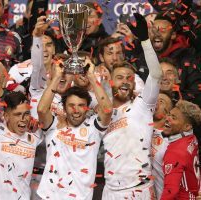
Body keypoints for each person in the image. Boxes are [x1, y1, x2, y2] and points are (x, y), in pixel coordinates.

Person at [102, 13, 162, 199]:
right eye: (120, 77)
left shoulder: (142, 107)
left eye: (129, 78)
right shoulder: (102, 113)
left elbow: (156, 75)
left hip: (139, 190)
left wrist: (145, 41)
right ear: (110, 83)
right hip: (110, 191)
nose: (125, 82)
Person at [36, 58, 112, 199]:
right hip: (49, 196)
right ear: (64, 108)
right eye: (71, 105)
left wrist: (91, 77)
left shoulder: (94, 129)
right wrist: (57, 77)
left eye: (81, 105)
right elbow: (41, 110)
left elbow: (107, 110)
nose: (76, 110)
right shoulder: (54, 125)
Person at [0, 92, 41, 200]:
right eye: (17, 114)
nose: (23, 119)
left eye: (27, 113)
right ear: (6, 116)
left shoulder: (34, 137)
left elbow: (46, 115)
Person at [161, 100, 201, 199]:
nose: (167, 119)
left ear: (187, 126)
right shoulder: (192, 138)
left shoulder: (175, 152)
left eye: (173, 118)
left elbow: (171, 192)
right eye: (169, 114)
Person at [151, 92, 174, 199]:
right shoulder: (138, 131)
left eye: (161, 101)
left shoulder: (172, 141)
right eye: (155, 98)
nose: (156, 102)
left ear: (168, 114)